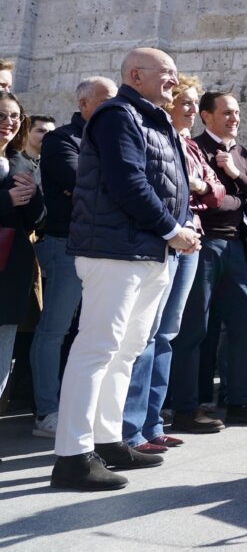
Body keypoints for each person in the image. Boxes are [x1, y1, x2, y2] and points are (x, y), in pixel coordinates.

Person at [53, 48, 200, 491]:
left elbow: (168, 183)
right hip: (114, 251)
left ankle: (108, 439)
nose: (174, 80)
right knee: (97, 348)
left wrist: (183, 225)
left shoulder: (155, 119)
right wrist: (173, 229)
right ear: (136, 75)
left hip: (148, 251)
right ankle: (73, 456)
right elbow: (127, 181)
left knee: (127, 349)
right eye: (166, 73)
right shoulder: (118, 115)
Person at [122, 74, 225, 455]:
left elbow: (216, 193)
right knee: (145, 334)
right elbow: (155, 187)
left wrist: (201, 188)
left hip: (191, 241)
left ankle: (153, 422)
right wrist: (196, 190)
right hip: (163, 240)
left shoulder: (192, 147)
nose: (192, 110)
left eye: (195, 103)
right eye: (185, 102)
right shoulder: (155, 136)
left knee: (167, 333)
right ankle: (130, 429)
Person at [174, 91, 247, 432]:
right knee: (195, 328)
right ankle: (186, 407)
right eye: (227, 112)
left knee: (246, 322)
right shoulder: (195, 148)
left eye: (237, 113)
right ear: (206, 116)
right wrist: (240, 196)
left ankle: (240, 402)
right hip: (203, 245)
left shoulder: (241, 154)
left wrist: (235, 175)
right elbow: (210, 203)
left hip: (236, 248)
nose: (235, 118)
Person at [30, 76, 116, 440]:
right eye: (107, 101)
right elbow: (83, 182)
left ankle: (80, 407)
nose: (117, 108)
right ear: (84, 104)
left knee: (92, 333)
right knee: (55, 329)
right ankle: (46, 411)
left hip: (102, 248)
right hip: (65, 244)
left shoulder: (115, 139)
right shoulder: (61, 139)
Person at [1, 93, 46, 424]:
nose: (9, 123)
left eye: (15, 116)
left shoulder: (20, 162)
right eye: (2, 116)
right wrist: (6, 200)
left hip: (10, 272)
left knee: (2, 357)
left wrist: (32, 198)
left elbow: (38, 220)